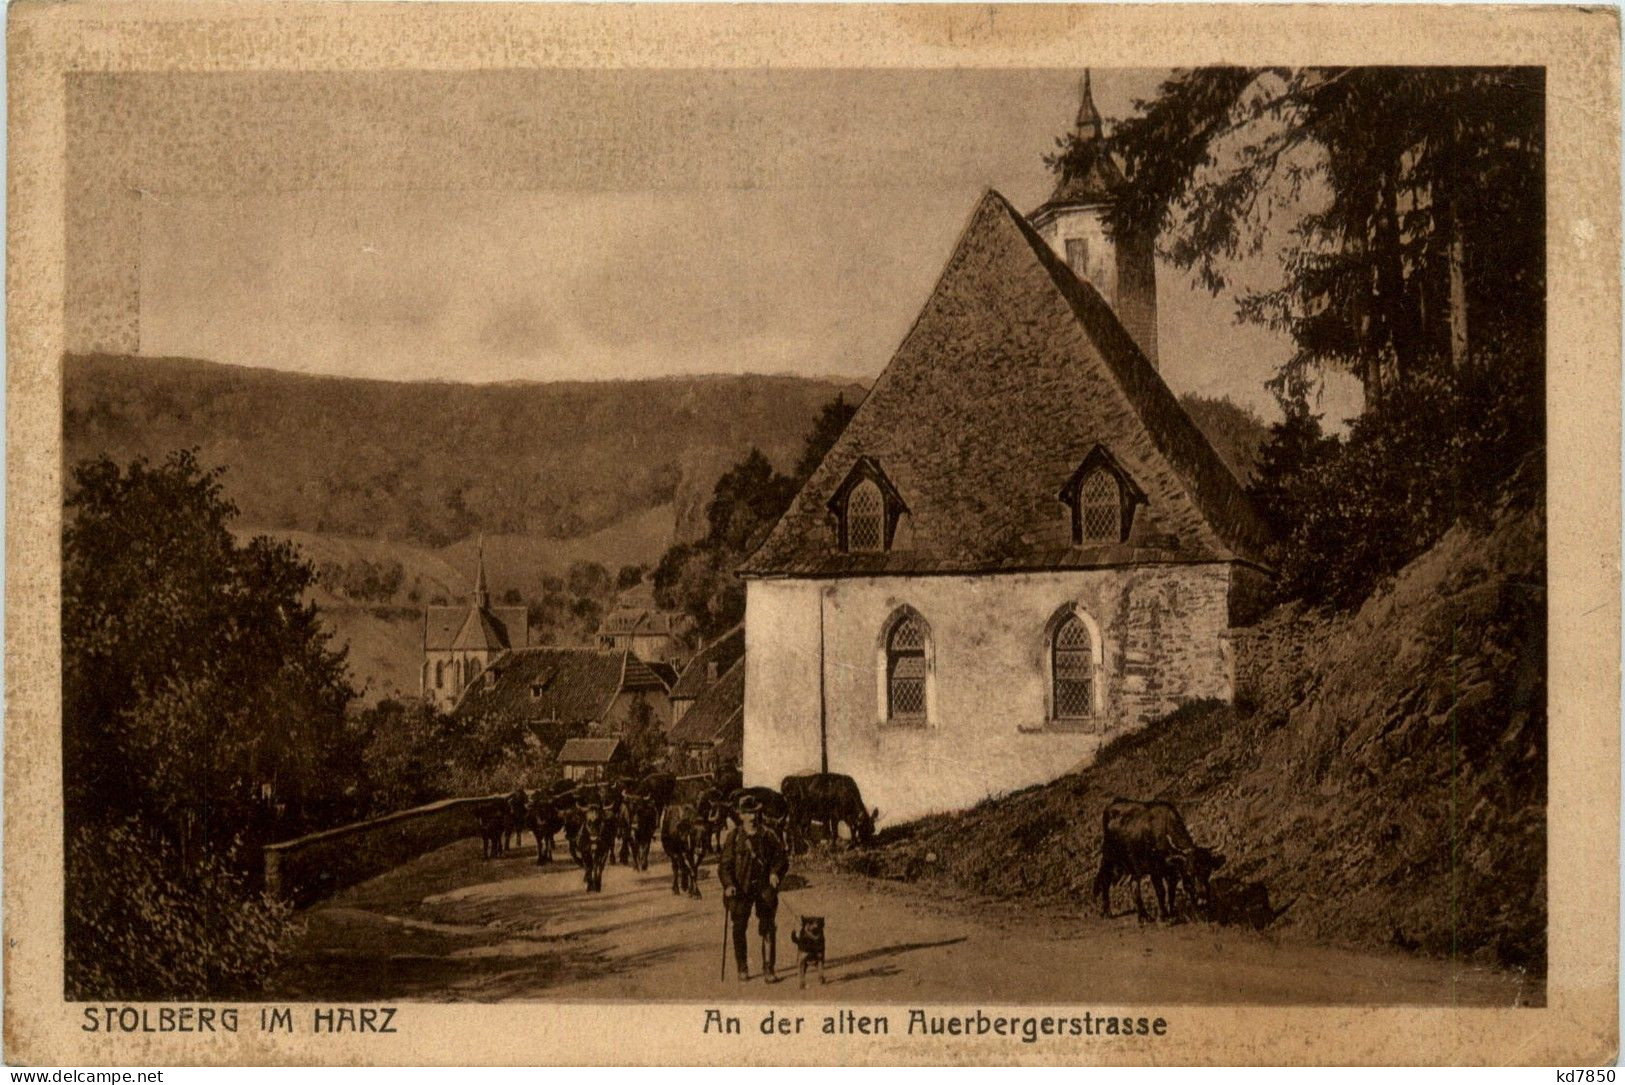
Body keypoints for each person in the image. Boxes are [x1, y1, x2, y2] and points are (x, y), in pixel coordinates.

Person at [718, 793, 790, 981]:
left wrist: (775, 873)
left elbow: (781, 859)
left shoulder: (768, 835)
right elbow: (724, 866)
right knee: (739, 927)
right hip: (741, 889)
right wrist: (729, 885)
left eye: (754, 813)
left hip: (764, 887)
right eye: (746, 813)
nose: (751, 817)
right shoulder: (733, 838)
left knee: (767, 927)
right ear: (740, 816)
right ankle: (742, 966)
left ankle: (769, 968)